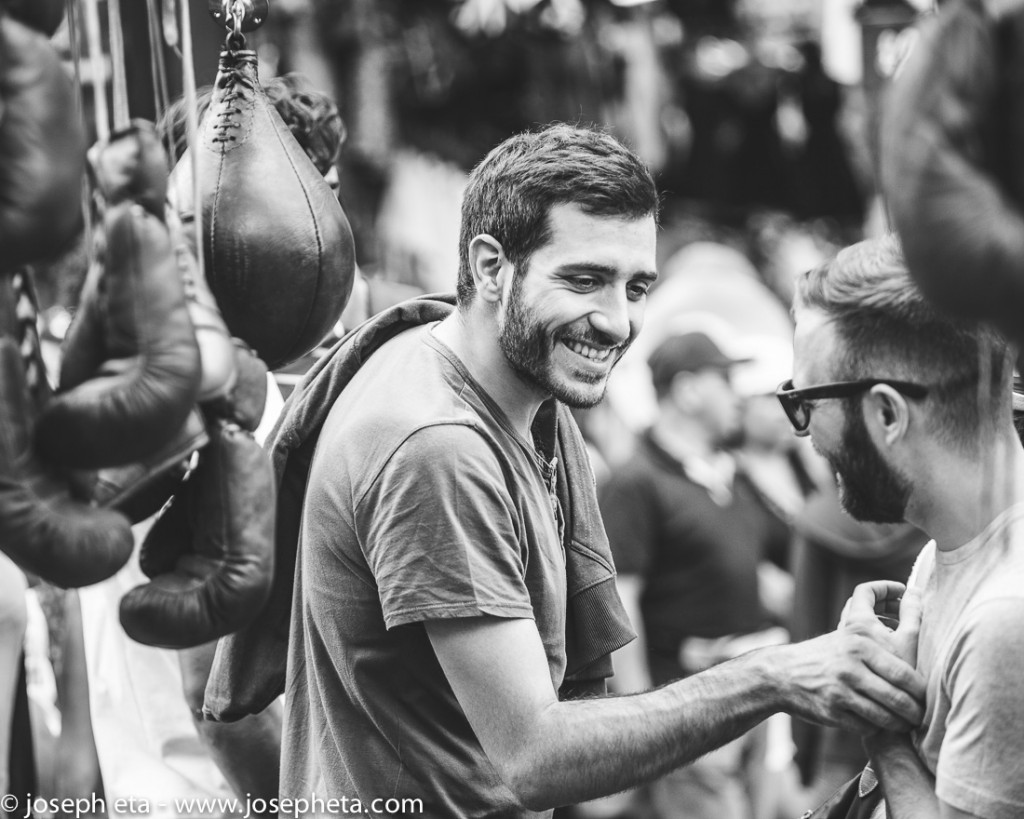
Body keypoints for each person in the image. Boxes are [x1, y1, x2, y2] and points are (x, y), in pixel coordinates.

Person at [272, 124, 925, 816]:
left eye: (638, 286)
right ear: (490, 267)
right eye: (585, 280)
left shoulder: (487, 369)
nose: (617, 322)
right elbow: (534, 755)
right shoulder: (437, 444)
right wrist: (775, 675)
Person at [784, 233, 1024, 818]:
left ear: (887, 413)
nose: (806, 434)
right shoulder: (951, 547)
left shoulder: (1004, 616)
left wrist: (879, 718)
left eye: (806, 401)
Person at [597, 329, 791, 819]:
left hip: (755, 705)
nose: (738, 396)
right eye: (725, 379)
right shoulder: (636, 483)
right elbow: (621, 604)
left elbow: (769, 567)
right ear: (687, 391)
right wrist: (642, 720)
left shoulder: (730, 475)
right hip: (690, 718)